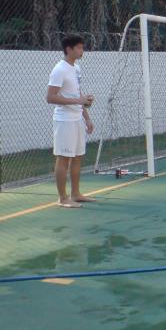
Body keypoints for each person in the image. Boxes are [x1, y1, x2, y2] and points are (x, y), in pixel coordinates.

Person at [46, 35, 95, 208]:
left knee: (77, 157)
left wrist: (87, 117)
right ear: (69, 49)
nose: (82, 51)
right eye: (79, 47)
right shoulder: (59, 69)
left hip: (77, 120)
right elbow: (50, 97)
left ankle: (76, 194)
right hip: (64, 121)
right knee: (64, 158)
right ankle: (62, 198)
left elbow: (77, 95)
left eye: (82, 47)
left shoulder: (76, 68)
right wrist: (78, 101)